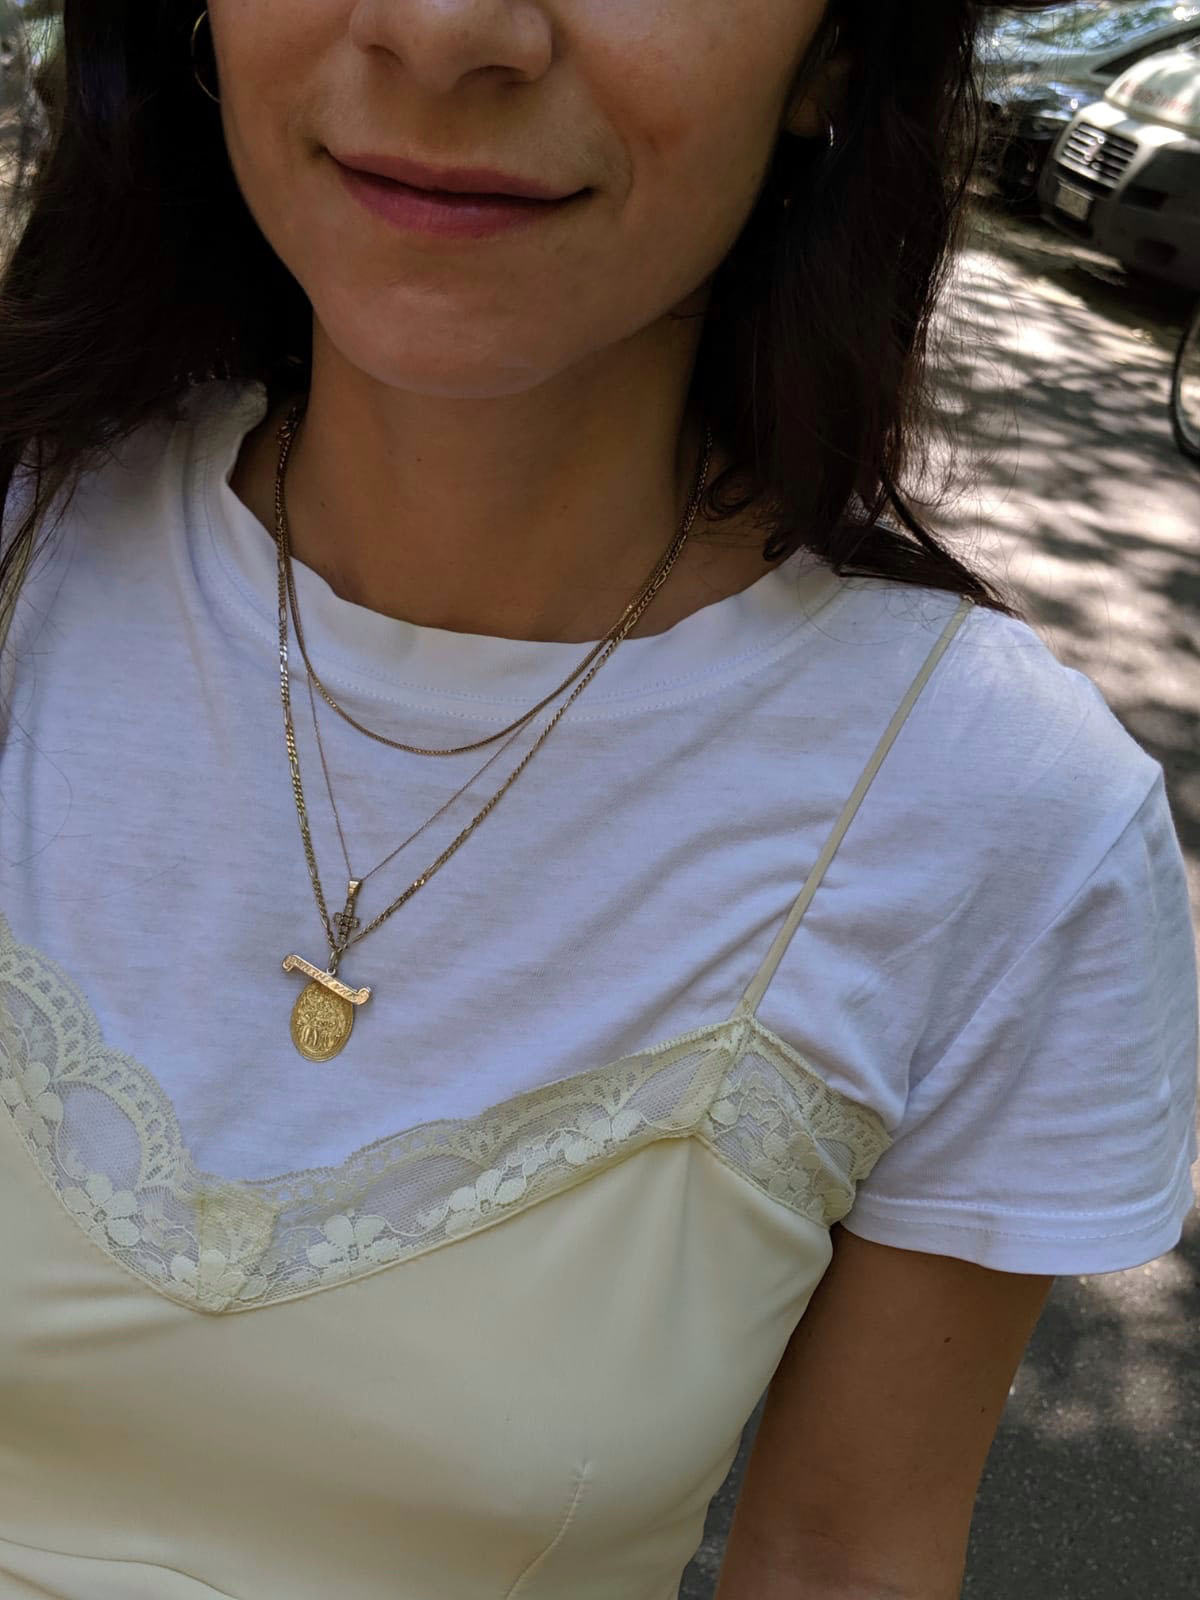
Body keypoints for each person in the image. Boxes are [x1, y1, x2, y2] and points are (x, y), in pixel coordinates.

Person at [0, 2, 1195, 1597]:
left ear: (838, 54)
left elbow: (839, 1559)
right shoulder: (29, 551)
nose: (444, 31)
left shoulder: (1002, 821)